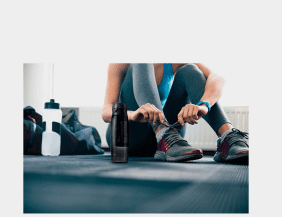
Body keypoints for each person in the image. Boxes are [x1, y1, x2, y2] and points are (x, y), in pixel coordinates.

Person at [101, 63, 249, 163]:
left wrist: (203, 106)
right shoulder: (120, 63)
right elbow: (106, 112)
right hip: (128, 137)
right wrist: (133, 115)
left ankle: (227, 138)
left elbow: (217, 78)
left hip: (169, 144)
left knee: (190, 69)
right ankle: (163, 133)